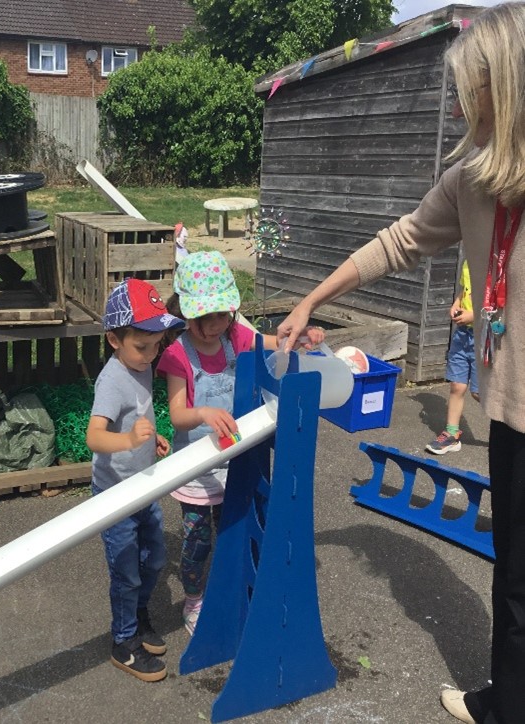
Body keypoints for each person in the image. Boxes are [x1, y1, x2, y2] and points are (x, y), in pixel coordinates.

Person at [276, 5, 525, 722]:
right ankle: (507, 702)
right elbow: (398, 242)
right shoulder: (471, 181)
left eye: (467, 89)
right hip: (510, 412)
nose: (455, 105)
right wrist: (310, 301)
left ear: (505, 86)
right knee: (515, 574)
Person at [157, 251, 325, 635]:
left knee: (234, 532)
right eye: (205, 317)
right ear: (187, 313)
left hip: (235, 460)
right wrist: (203, 413)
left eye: (222, 315)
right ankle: (194, 600)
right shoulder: (178, 353)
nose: (215, 325)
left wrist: (302, 339)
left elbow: (275, 343)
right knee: (197, 542)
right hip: (198, 469)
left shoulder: (235, 337)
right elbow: (178, 415)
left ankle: (230, 589)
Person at [85, 277, 185, 682]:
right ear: (114, 339)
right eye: (142, 346)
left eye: (157, 345)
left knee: (155, 558)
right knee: (126, 571)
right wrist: (128, 441)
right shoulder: (112, 380)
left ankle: (138, 617)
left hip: (142, 487)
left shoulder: (140, 365)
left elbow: (138, 414)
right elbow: (95, 437)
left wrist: (150, 437)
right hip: (115, 494)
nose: (151, 354)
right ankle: (123, 641)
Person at [426, 258, 481, 454]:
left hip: (484, 336)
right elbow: (465, 290)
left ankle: (516, 424)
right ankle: (451, 435)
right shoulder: (468, 260)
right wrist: (456, 303)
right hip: (462, 335)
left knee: (479, 393)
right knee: (457, 385)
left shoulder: (497, 261)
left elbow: (503, 305)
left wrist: (474, 315)